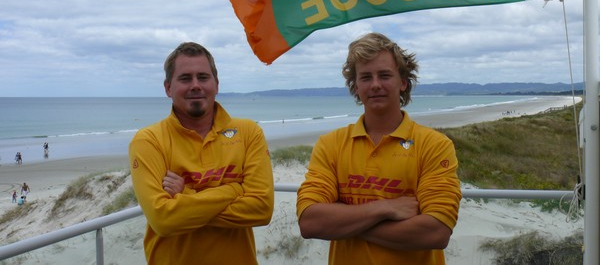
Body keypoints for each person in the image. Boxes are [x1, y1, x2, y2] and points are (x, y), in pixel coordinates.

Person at [296, 33, 462, 264]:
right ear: (356, 86)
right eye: (365, 77)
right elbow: (310, 222)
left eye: (384, 75)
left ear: (403, 82)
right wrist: (384, 209)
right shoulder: (331, 144)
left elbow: (435, 231)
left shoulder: (434, 145)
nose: (375, 85)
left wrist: (345, 221)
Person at [129, 42, 274, 264]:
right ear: (168, 88)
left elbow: (261, 210)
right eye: (185, 78)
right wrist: (234, 189)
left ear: (216, 84)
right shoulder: (149, 140)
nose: (195, 85)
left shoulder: (248, 132)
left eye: (203, 77)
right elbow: (164, 219)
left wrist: (187, 196)